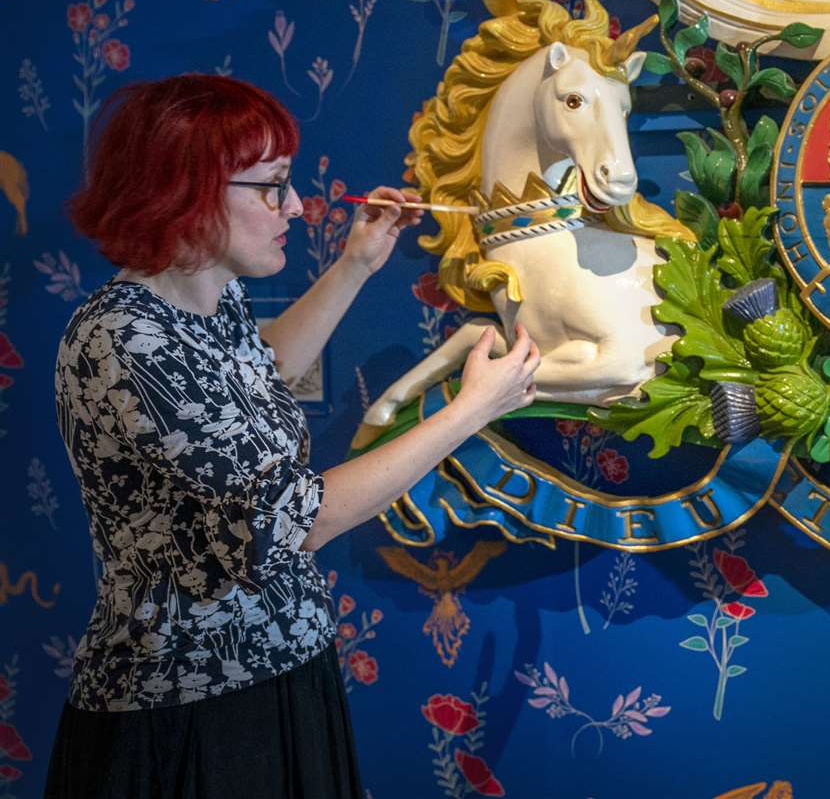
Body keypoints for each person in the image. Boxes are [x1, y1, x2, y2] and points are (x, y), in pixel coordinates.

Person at [44, 75, 540, 798]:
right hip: (192, 707)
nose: (297, 206)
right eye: (273, 186)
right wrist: (470, 411)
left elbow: (259, 374)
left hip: (277, 671)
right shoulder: (125, 336)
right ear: (187, 190)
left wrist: (357, 264)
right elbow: (291, 520)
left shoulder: (207, 300)